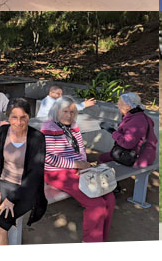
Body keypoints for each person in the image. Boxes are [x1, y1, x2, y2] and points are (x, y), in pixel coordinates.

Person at [41, 96, 115, 242]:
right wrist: (75, 165)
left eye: (73, 112)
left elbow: (80, 149)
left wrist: (84, 166)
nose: (69, 115)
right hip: (55, 172)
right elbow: (47, 157)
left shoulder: (73, 125)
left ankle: (102, 239)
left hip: (77, 169)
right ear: (56, 111)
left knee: (110, 197)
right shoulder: (48, 128)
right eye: (66, 112)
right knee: (96, 204)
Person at [0, 98, 47, 246]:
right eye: (14, 117)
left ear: (29, 116)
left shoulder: (37, 138)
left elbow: (35, 175)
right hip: (3, 184)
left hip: (25, 189)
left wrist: (12, 199)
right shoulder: (2, 132)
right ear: (8, 117)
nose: (18, 122)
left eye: (23, 117)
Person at [99, 92, 157, 168]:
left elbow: (127, 143)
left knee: (102, 157)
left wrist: (111, 131)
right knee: (109, 155)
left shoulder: (136, 121)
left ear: (128, 106)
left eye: (120, 103)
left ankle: (108, 178)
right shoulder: (141, 116)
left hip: (138, 159)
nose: (118, 105)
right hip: (147, 154)